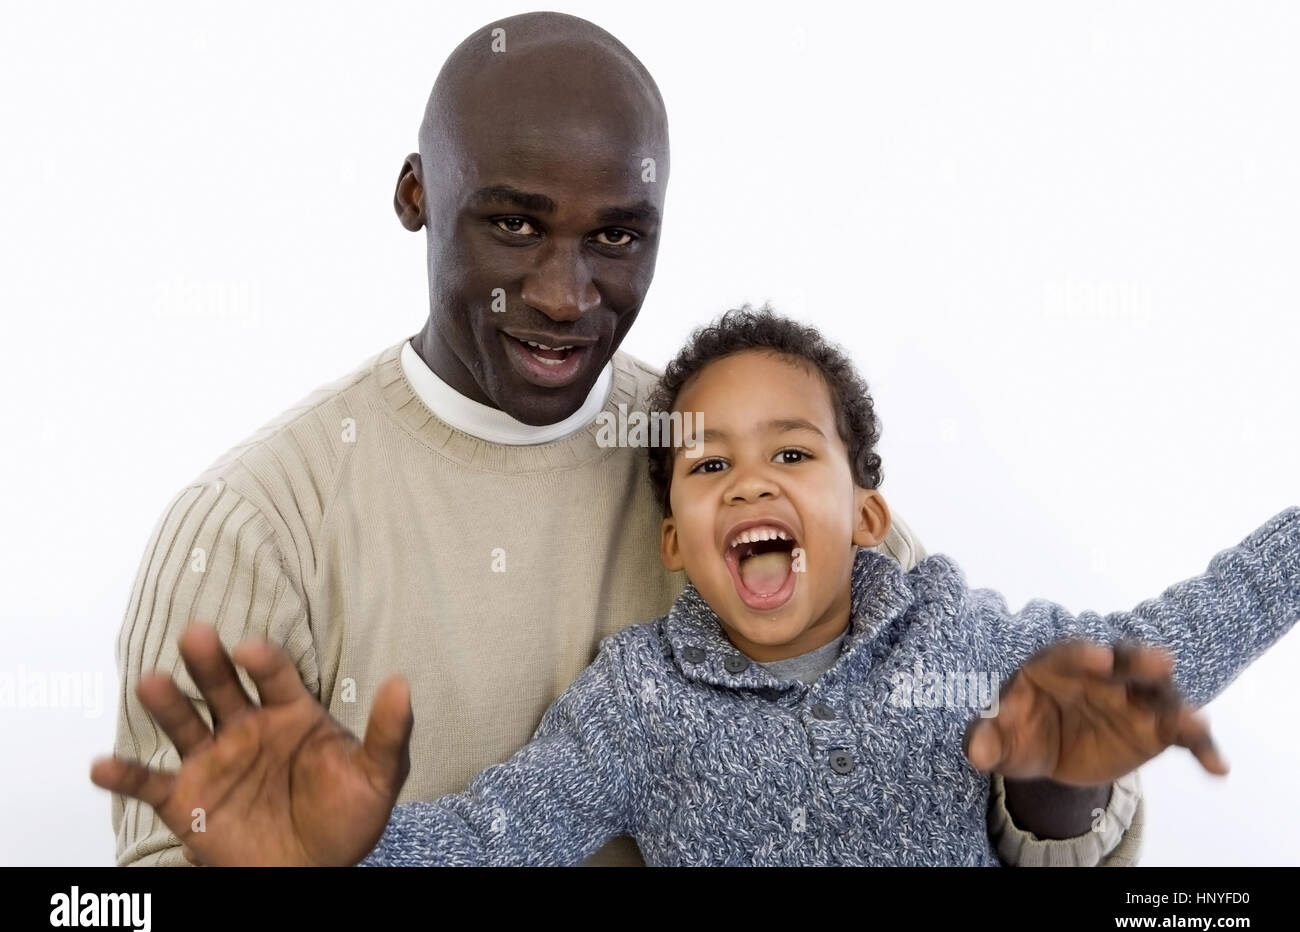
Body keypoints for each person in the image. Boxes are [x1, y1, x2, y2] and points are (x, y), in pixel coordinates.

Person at [105, 13, 1142, 867]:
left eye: (615, 236)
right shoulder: (256, 527)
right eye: (514, 225)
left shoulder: (728, 457)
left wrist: (1054, 789)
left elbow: (1048, 799)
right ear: (417, 193)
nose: (565, 296)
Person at [90, 308, 1299, 865]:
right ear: (673, 537)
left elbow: (1174, 635)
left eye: (791, 455)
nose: (748, 480)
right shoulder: (637, 699)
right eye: (709, 465)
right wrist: (350, 845)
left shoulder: (963, 638)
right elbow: (492, 837)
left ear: (867, 518)